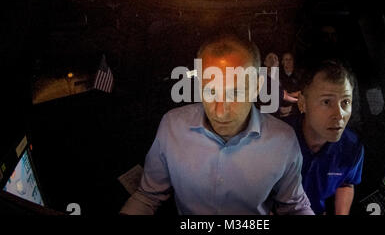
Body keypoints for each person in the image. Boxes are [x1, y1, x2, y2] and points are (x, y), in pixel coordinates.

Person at [120, 33, 313, 215]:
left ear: (257, 87)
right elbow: (147, 196)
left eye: (235, 93)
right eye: (211, 92)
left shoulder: (283, 140)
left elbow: (294, 206)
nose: (220, 112)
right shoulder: (172, 125)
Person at [288, 59, 364, 215]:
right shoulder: (275, 139)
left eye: (345, 102)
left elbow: (346, 183)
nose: (339, 115)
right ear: (302, 103)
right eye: (327, 101)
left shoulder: (352, 148)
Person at [278, 52, 302, 122]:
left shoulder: (299, 75)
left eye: (290, 59)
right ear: (282, 62)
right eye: (286, 59)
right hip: (281, 111)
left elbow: (302, 92)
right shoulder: (279, 76)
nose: (288, 62)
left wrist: (289, 95)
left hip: (296, 110)